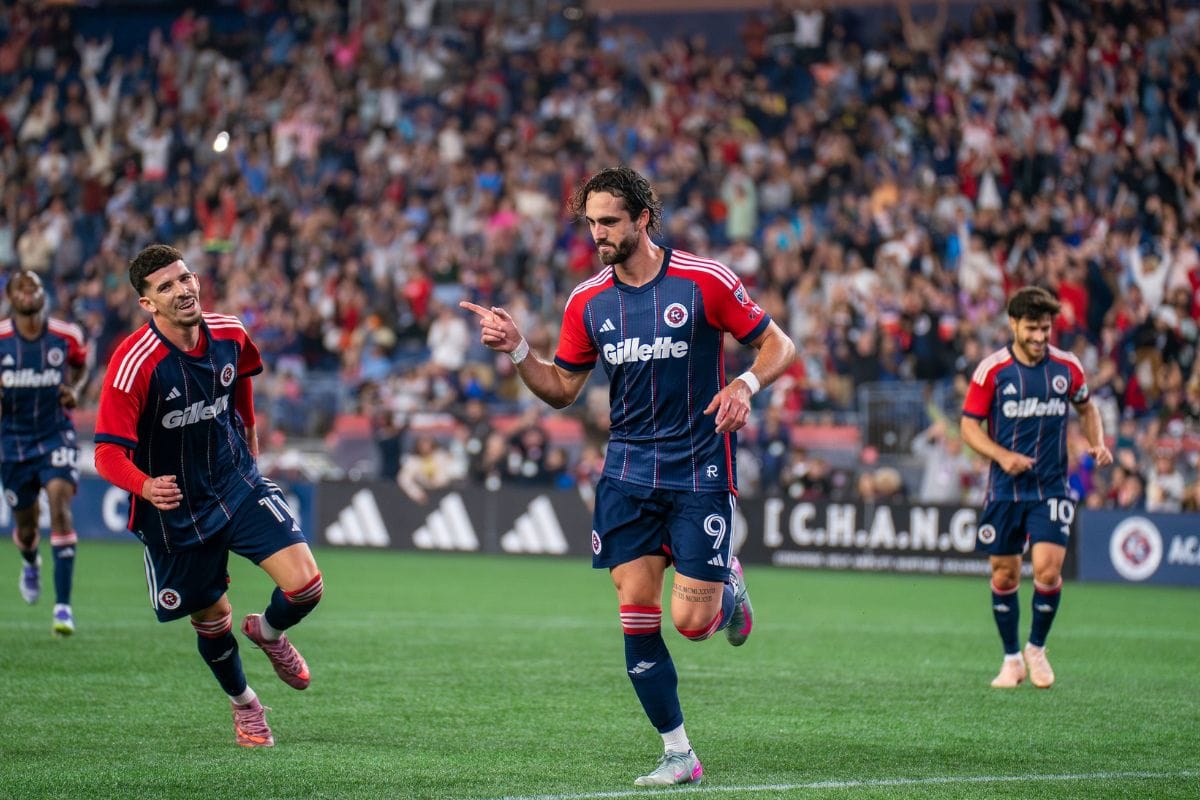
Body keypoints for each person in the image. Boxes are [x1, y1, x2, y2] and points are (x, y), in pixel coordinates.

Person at [462, 166, 796, 786]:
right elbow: (562, 389)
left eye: (610, 221)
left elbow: (779, 344)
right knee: (636, 614)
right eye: (591, 222)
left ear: (643, 218)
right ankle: (679, 754)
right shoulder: (587, 301)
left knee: (692, 625)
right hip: (626, 476)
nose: (598, 233)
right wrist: (517, 350)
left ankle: (728, 582)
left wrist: (745, 385)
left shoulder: (704, 280)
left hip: (697, 471)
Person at [93, 244, 323, 747]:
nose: (183, 290)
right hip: (176, 508)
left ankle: (268, 632)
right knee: (213, 619)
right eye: (166, 287)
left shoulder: (230, 332)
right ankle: (246, 705)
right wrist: (144, 485)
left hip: (234, 480)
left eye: (185, 278)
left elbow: (240, 381)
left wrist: (251, 436)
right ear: (147, 303)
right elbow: (106, 453)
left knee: (307, 586)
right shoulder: (134, 363)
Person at [961, 287, 1112, 690]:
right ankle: (1012, 659)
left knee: (1047, 570)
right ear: (1013, 324)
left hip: (1051, 487)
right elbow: (968, 426)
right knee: (1004, 575)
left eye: (1045, 328)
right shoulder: (992, 371)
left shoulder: (1066, 367)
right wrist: (1001, 455)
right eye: (1032, 328)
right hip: (1005, 489)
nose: (1040, 336)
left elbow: (1087, 408)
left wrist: (1097, 441)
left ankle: (1037, 648)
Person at [0, 270, 89, 636]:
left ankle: (63, 607)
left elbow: (81, 365)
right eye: (21, 289)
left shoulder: (66, 336)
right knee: (26, 526)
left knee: (60, 508)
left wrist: (76, 390)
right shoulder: (2, 339)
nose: (29, 293)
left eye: (34, 286)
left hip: (56, 435)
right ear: (10, 297)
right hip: (12, 443)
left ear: (43, 293)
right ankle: (30, 560)